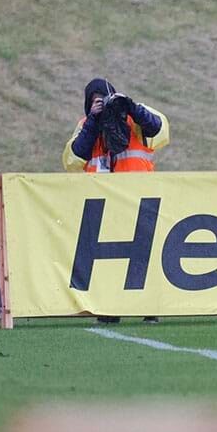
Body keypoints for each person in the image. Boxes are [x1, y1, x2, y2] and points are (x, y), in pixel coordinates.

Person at [64, 78, 169, 324]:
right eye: (95, 101)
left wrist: (130, 107)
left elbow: (160, 130)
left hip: (139, 196)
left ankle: (149, 307)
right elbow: (72, 160)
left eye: (105, 98)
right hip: (102, 200)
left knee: (143, 255)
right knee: (107, 258)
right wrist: (93, 120)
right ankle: (109, 308)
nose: (102, 104)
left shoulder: (135, 116)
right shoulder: (85, 125)